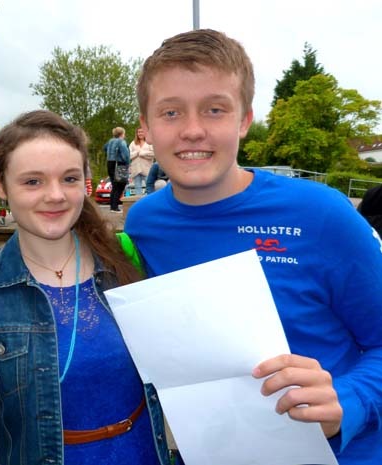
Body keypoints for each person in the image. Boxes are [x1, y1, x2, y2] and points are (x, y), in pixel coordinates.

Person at [125, 29, 382, 464]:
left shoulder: (321, 215)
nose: (192, 130)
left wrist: (347, 400)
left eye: (215, 110)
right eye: (171, 112)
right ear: (146, 128)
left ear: (244, 119)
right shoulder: (145, 223)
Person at [0, 110, 170, 465]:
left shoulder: (128, 263)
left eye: (70, 178)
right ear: (0, 185)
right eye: (33, 182)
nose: (55, 195)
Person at [104, 126, 130, 212]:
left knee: (114, 185)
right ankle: (115, 207)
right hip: (119, 164)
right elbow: (125, 155)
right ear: (122, 134)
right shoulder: (121, 142)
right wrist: (128, 163)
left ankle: (112, 206)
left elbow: (104, 148)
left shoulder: (110, 141)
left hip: (110, 163)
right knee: (120, 185)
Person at [128, 127, 155, 195]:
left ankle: (151, 203)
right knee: (137, 188)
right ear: (136, 133)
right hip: (136, 169)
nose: (140, 133)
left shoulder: (149, 142)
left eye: (141, 132)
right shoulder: (133, 143)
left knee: (149, 187)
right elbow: (128, 155)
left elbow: (153, 154)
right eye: (138, 132)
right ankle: (139, 203)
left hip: (147, 169)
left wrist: (142, 153)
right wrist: (137, 153)